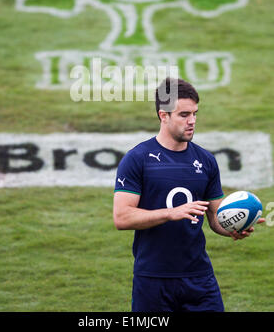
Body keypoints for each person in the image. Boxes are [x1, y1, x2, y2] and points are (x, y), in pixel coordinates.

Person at [113, 77, 265, 312]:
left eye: (195, 113)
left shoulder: (206, 161)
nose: (192, 121)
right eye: (184, 115)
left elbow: (215, 217)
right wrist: (170, 213)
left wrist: (233, 228)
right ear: (164, 115)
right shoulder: (137, 159)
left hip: (199, 278)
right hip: (153, 279)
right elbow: (122, 218)